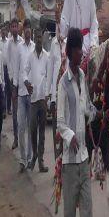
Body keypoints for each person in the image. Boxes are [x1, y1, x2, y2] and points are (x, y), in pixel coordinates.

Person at [58, 28, 104, 217]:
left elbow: (85, 109)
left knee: (88, 213)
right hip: (69, 163)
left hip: (84, 160)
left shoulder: (83, 76)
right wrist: (70, 136)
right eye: (78, 50)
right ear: (70, 51)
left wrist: (101, 113)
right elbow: (59, 121)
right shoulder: (63, 84)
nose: (81, 54)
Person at [24, 28, 49, 172]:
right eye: (37, 37)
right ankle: (34, 155)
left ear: (43, 39)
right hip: (33, 99)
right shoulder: (30, 56)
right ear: (35, 38)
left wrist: (48, 94)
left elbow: (49, 76)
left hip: (43, 99)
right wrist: (26, 82)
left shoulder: (47, 56)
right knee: (33, 128)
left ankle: (40, 161)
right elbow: (24, 72)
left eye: (41, 38)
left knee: (42, 132)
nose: (39, 40)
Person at [13, 19, 35, 172]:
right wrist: (14, 88)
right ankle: (22, 159)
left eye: (29, 28)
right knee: (21, 127)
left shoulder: (36, 47)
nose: (27, 31)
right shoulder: (19, 48)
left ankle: (29, 158)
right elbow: (16, 69)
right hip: (21, 93)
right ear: (23, 30)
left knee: (30, 127)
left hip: (32, 93)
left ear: (31, 31)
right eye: (25, 28)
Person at [46, 26, 66, 159]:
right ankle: (57, 166)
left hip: (67, 96)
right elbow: (50, 72)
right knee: (56, 133)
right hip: (55, 96)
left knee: (66, 132)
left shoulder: (69, 42)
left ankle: (65, 165)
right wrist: (49, 96)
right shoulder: (53, 44)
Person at [7, 18, 23, 149]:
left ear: (18, 28)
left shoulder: (23, 43)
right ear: (10, 29)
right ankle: (16, 139)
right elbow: (9, 64)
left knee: (23, 112)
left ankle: (22, 138)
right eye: (12, 26)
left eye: (15, 26)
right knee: (15, 112)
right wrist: (12, 81)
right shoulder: (9, 44)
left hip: (23, 81)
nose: (14, 29)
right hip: (13, 83)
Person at [0, 25, 11, 117]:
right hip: (0, 68)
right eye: (2, 31)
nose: (3, 32)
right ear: (0, 32)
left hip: (7, 68)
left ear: (6, 32)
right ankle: (3, 109)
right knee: (2, 89)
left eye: (4, 31)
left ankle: (9, 108)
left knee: (8, 89)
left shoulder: (8, 42)